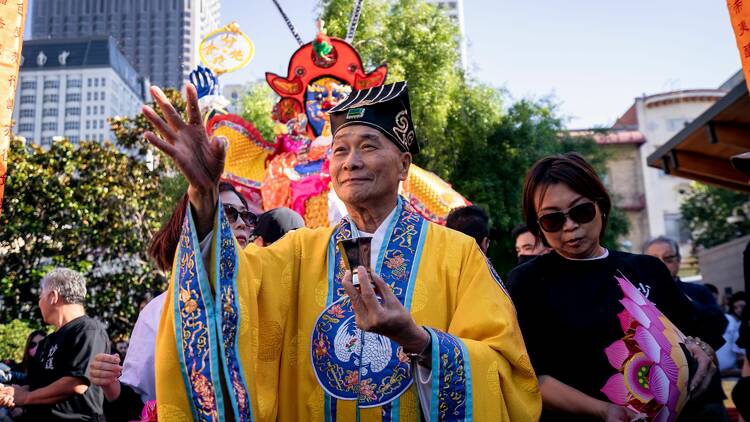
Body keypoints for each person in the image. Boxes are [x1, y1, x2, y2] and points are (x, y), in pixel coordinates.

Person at [144, 81, 541, 420]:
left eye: (368, 146)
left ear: (404, 164)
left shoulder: (459, 256)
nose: (351, 162)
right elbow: (225, 294)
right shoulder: (297, 254)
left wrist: (419, 341)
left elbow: (505, 375)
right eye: (340, 150)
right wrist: (203, 196)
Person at [507, 153, 719, 421]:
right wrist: (604, 410)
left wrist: (703, 351)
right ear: (537, 225)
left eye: (581, 211)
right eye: (553, 220)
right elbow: (528, 376)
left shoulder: (648, 269)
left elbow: (695, 335)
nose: (570, 227)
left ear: (601, 205)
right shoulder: (526, 283)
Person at [88, 183, 258, 422]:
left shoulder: (264, 300)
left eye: (247, 216)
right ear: (192, 224)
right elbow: (139, 404)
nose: (241, 223)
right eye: (229, 213)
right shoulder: (160, 310)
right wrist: (110, 385)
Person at [0, 268, 110, 421]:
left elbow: (76, 383)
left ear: (53, 296)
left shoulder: (88, 330)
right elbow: (35, 385)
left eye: (40, 296)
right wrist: (11, 392)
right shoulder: (47, 341)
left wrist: (26, 397)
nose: (39, 303)